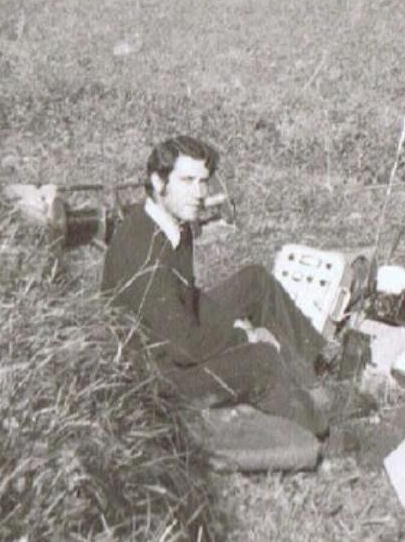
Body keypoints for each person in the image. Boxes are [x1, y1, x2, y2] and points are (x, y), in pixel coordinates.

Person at [101, 136, 333, 436]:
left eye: (203, 181)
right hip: (156, 378)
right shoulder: (144, 251)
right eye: (187, 181)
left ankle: (314, 375)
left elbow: (186, 296)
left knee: (255, 281)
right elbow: (183, 347)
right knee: (260, 360)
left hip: (173, 336)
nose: (199, 193)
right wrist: (244, 336)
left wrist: (232, 325)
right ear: (158, 182)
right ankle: (320, 429)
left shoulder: (171, 221)